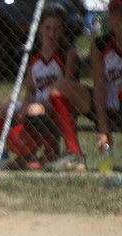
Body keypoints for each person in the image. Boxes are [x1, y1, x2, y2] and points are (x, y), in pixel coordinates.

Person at [0, 5, 78, 170]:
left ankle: (50, 151)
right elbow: (30, 91)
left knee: (33, 111)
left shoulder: (67, 54)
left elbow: (68, 91)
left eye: (57, 29)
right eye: (47, 28)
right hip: (35, 106)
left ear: (63, 31)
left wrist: (32, 107)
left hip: (57, 107)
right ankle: (23, 152)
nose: (52, 34)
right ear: (39, 28)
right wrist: (25, 105)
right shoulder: (34, 56)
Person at [43, 0, 122, 171]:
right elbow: (99, 86)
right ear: (110, 17)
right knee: (60, 88)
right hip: (109, 106)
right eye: (117, 13)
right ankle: (75, 155)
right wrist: (103, 127)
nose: (120, 19)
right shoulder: (100, 45)